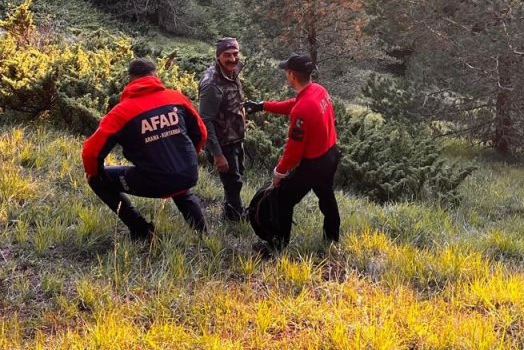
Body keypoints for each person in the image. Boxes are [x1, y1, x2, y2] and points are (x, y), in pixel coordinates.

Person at [81, 58, 209, 241]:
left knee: (95, 180)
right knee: (180, 185)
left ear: (130, 80)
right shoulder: (176, 98)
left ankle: (141, 229)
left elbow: (90, 152)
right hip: (187, 174)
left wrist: (96, 172)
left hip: (155, 181)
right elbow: (202, 133)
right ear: (155, 75)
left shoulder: (121, 112)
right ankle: (204, 237)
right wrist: (185, 159)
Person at [244, 52, 340, 254]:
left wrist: (279, 173)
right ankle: (332, 238)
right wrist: (263, 106)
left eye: (286, 72)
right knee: (326, 196)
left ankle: (277, 245)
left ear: (291, 75)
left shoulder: (303, 109)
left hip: (314, 164)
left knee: (283, 199)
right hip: (331, 153)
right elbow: (295, 104)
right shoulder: (318, 90)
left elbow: (293, 151)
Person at [198, 37, 250, 221]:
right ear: (218, 56)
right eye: (227, 55)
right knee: (232, 182)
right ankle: (235, 217)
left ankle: (230, 211)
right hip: (222, 142)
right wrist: (217, 154)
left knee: (237, 177)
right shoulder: (211, 84)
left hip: (236, 137)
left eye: (235, 54)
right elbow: (205, 120)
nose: (233, 59)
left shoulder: (233, 71)